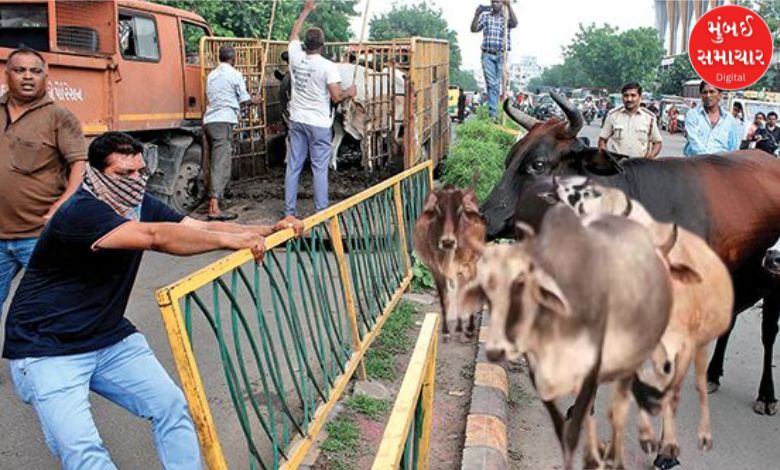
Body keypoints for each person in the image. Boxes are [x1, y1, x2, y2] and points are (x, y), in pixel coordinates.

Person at [3, 131, 303, 470]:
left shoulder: (137, 202)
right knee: (82, 450)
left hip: (107, 337)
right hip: (46, 347)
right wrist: (227, 242)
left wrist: (266, 230)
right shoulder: (81, 212)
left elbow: (194, 227)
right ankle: (52, 409)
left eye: (140, 172)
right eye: (124, 174)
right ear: (95, 174)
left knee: (172, 408)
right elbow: (155, 237)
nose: (135, 181)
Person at [0, 47, 86, 311]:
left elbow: (79, 167)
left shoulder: (59, 117)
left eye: (35, 71)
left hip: (38, 236)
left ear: (45, 77)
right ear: (7, 75)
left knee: (54, 307)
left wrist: (60, 207)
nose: (28, 77)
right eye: (20, 70)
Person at [285, 0, 356, 217]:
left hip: (297, 120)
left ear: (305, 44)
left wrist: (306, 11)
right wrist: (349, 93)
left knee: (294, 166)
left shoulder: (295, 57)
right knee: (319, 168)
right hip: (318, 125)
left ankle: (289, 212)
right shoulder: (327, 66)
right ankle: (321, 212)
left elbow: (292, 36)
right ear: (323, 45)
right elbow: (335, 97)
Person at [203, 45, 261, 221]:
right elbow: (244, 99)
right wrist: (255, 100)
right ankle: (214, 207)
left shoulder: (212, 75)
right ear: (234, 58)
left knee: (214, 161)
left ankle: (217, 198)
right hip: (223, 120)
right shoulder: (234, 74)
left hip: (210, 120)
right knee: (220, 163)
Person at [471, 0, 517, 120]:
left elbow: (515, 23)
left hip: (501, 55)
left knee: (500, 84)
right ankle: (493, 114)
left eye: (498, 2)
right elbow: (474, 29)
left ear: (502, 4)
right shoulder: (486, 17)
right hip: (487, 54)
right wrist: (476, 15)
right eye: (493, 2)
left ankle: (500, 112)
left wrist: (509, 6)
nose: (495, 4)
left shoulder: (506, 18)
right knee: (492, 84)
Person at [598, 82, 663, 159]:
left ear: (640, 97)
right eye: (626, 96)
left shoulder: (649, 118)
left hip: (639, 166)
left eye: (633, 95)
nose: (629, 99)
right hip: (618, 166)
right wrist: (607, 159)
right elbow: (602, 140)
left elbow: (657, 143)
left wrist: (648, 159)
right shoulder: (613, 115)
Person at [683, 82, 740, 156]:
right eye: (705, 92)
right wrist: (710, 161)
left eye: (712, 92)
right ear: (701, 95)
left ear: (720, 95)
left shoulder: (729, 119)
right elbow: (694, 142)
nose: (708, 95)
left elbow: (734, 147)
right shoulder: (693, 115)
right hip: (696, 163)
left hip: (721, 164)